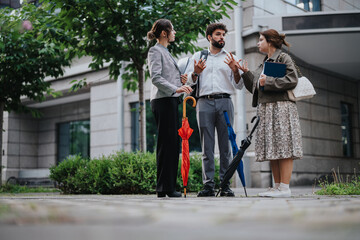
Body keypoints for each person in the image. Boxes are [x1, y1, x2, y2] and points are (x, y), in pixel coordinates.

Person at [237, 29, 303, 197]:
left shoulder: (283, 57)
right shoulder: (265, 61)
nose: (258, 43)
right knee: (273, 148)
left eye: (261, 40)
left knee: (284, 147)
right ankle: (277, 186)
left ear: (270, 41)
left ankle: (285, 188)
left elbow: (292, 79)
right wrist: (245, 72)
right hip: (267, 108)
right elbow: (255, 86)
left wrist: (269, 81)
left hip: (281, 107)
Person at [185, 23, 244, 197]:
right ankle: (208, 185)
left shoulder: (230, 57)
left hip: (225, 101)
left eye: (224, 35)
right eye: (218, 34)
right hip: (204, 103)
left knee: (225, 146)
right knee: (207, 146)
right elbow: (190, 81)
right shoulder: (199, 56)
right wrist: (195, 73)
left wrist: (235, 71)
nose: (222, 37)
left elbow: (239, 85)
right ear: (210, 37)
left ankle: (225, 185)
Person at [147, 19, 193, 198]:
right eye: (172, 30)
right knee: (167, 145)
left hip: (170, 100)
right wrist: (176, 88)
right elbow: (156, 78)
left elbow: (164, 77)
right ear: (164, 33)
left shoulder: (166, 52)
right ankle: (165, 187)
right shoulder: (155, 50)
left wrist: (178, 81)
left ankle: (166, 188)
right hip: (163, 100)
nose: (175, 32)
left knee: (171, 144)